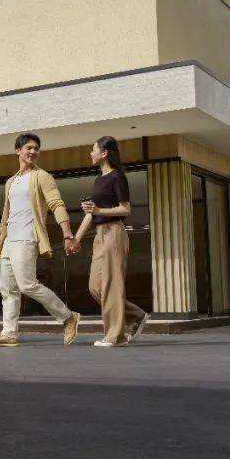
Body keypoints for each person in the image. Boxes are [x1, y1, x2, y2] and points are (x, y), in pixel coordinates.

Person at [0, 133, 81, 347]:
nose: (33, 151)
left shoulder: (42, 176)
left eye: (36, 148)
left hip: (27, 238)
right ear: (18, 150)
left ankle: (68, 317)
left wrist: (67, 233)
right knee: (8, 290)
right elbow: (7, 214)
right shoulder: (11, 182)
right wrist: (1, 242)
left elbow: (56, 204)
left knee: (27, 285)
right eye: (29, 148)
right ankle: (9, 333)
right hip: (9, 240)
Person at [69, 136, 149, 347]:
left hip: (114, 232)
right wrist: (76, 239)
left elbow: (125, 209)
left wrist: (99, 210)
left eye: (93, 149)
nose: (91, 153)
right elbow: (90, 214)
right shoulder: (99, 180)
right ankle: (136, 315)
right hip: (99, 235)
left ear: (104, 153)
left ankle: (115, 337)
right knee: (96, 287)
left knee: (112, 286)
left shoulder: (117, 177)